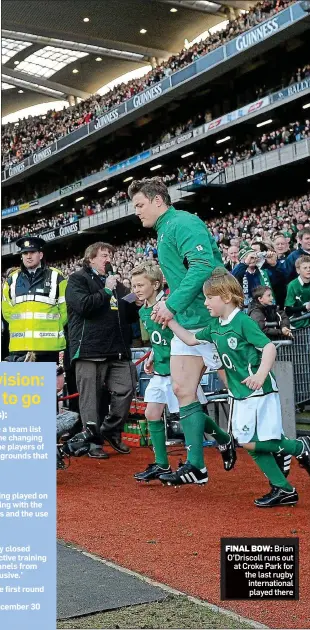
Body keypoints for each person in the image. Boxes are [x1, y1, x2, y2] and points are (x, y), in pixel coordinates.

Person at [166, 269, 310, 507]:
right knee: (249, 440)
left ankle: (297, 448)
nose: (205, 303)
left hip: (258, 391)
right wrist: (169, 320)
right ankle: (284, 487)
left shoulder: (243, 321)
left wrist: (261, 374)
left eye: (208, 298)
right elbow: (191, 340)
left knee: (251, 440)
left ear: (224, 297)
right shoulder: (215, 326)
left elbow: (269, 348)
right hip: (239, 393)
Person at [128, 177, 235, 485]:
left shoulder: (183, 223)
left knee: (242, 393)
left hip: (211, 321)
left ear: (158, 201)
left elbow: (202, 266)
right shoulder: (164, 231)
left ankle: (288, 447)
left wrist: (171, 304)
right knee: (181, 390)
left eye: (139, 205)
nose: (136, 212)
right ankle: (197, 465)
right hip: (187, 324)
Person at [131, 263, 232, 482]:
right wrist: (151, 355)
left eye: (140, 285)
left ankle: (222, 438)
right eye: (133, 285)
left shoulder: (170, 306)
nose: (136, 290)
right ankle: (162, 464)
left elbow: (176, 338)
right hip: (160, 369)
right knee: (151, 414)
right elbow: (157, 341)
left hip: (177, 367)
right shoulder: (142, 311)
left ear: (156, 285)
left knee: (189, 413)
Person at [65, 242, 137, 459]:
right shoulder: (78, 279)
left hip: (117, 349)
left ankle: (110, 430)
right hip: (89, 349)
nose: (109, 259)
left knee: (127, 387)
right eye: (104, 255)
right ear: (91, 259)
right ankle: (92, 441)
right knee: (90, 399)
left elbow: (129, 312)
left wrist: (138, 300)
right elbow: (84, 306)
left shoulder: (116, 283)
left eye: (110, 255)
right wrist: (106, 289)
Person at [2, 236, 67, 362]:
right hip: (19, 347)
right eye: (25, 253)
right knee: (22, 382)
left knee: (48, 382)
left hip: (50, 347)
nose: (28, 256)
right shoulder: (12, 280)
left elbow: (65, 310)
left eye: (32, 252)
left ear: (41, 255)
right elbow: (7, 311)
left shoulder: (56, 276)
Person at [232, 244, 286, 308]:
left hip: (267, 308)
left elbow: (282, 281)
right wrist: (245, 263)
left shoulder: (265, 272)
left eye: (253, 256)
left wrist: (274, 265)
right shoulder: (240, 274)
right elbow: (233, 277)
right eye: (247, 257)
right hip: (248, 310)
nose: (251, 259)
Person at [285, 256, 310, 329]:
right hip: (299, 323)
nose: (308, 270)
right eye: (305, 268)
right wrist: (305, 307)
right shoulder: (292, 285)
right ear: (298, 270)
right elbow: (288, 309)